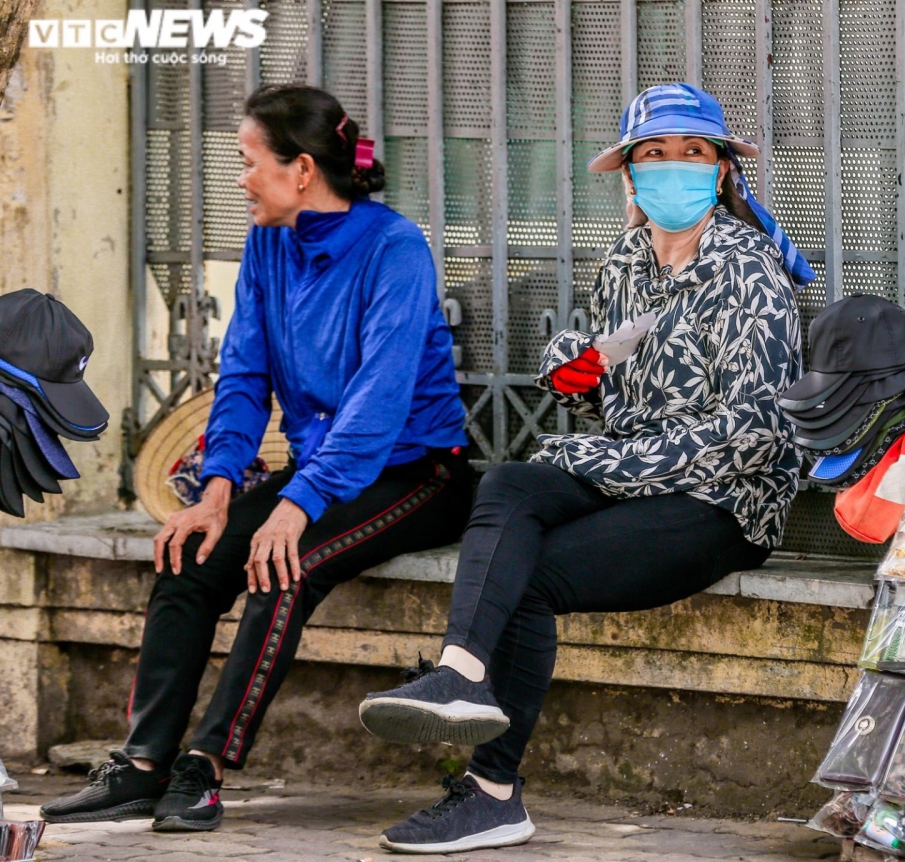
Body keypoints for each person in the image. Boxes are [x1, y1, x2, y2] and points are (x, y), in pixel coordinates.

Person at [356, 83, 810, 855]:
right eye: (655, 155)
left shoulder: (747, 267)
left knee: (522, 575)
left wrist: (613, 455)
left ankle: (491, 792)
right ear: (629, 175)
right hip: (635, 476)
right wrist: (587, 383)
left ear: (723, 172)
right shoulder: (626, 263)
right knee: (507, 484)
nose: (673, 169)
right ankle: (460, 675)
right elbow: (625, 410)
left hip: (722, 505)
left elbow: (761, 432)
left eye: (692, 154)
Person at [41, 85, 473, 833]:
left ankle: (203, 766)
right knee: (189, 554)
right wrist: (214, 491)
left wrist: (296, 506)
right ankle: (142, 765)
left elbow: (377, 403)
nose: (238, 179)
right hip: (317, 474)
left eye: (247, 161)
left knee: (283, 564)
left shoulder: (394, 248)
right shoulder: (269, 245)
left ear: (302, 169)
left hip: (416, 472)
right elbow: (242, 378)